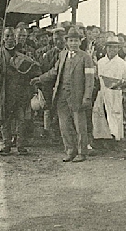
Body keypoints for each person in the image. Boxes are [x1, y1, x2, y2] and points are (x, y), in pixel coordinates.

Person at [31, 27, 94, 162]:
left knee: (80, 125)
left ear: (80, 41)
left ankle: (82, 153)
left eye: (76, 41)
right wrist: (40, 78)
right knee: (64, 126)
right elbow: (54, 71)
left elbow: (90, 79)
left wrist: (87, 97)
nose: (73, 43)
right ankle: (70, 151)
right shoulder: (62, 55)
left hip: (78, 96)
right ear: (66, 41)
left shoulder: (86, 57)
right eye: (71, 41)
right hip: (61, 96)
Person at [0, 27, 38, 156]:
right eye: (7, 36)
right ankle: (6, 144)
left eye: (12, 36)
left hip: (20, 90)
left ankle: (20, 144)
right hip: (4, 91)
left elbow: (32, 68)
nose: (10, 39)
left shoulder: (22, 52)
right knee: (5, 119)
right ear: (3, 38)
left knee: (21, 118)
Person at [92, 36, 126, 147]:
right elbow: (96, 77)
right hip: (102, 92)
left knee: (114, 114)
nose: (111, 50)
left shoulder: (122, 63)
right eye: (109, 47)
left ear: (118, 49)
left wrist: (125, 92)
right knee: (100, 114)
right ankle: (101, 138)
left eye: (114, 48)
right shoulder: (101, 62)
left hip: (115, 93)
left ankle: (114, 139)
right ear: (106, 48)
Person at [38, 27, 67, 140]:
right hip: (52, 86)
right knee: (51, 109)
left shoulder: (70, 52)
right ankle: (52, 132)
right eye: (56, 39)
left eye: (61, 39)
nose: (59, 41)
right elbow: (45, 70)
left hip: (66, 86)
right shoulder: (49, 54)